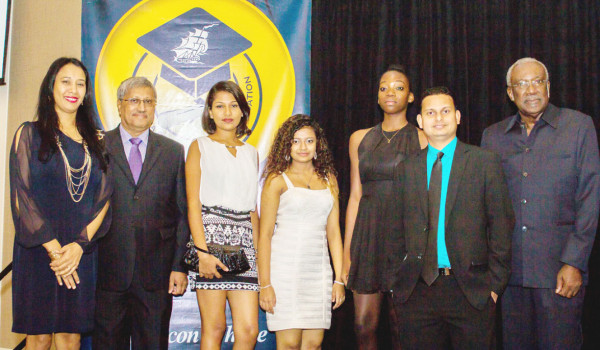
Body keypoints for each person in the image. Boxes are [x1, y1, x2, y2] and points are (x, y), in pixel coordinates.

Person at [481, 57, 600, 349]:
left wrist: (574, 262)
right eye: (522, 84)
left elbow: (589, 197)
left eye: (538, 81)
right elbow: (486, 206)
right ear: (510, 93)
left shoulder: (578, 127)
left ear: (548, 87)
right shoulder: (493, 137)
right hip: (510, 276)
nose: (531, 90)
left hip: (559, 272)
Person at [392, 86, 514, 349]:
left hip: (471, 291)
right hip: (417, 292)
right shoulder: (406, 168)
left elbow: (501, 226)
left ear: (457, 116)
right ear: (420, 121)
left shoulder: (484, 162)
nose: (438, 118)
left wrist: (494, 286)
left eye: (445, 111)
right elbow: (393, 229)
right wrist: (396, 281)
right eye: (431, 112)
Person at [9, 57, 112, 349]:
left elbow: (104, 198)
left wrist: (78, 247)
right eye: (65, 81)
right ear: (51, 87)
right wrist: (56, 253)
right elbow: (22, 197)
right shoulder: (29, 133)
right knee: (39, 338)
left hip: (80, 251)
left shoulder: (97, 141)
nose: (73, 89)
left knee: (70, 337)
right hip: (39, 251)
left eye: (80, 83)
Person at [93, 77, 189, 349]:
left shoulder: (172, 151)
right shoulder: (97, 147)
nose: (142, 107)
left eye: (148, 101)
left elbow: (182, 213)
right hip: (107, 271)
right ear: (120, 105)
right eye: (134, 100)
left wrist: (178, 266)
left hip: (156, 274)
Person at [341, 64, 427, 348]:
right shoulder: (359, 138)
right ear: (377, 97)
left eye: (399, 87)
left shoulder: (422, 138)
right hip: (367, 238)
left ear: (411, 97)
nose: (391, 92)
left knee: (402, 327)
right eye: (384, 87)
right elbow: (355, 196)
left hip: (404, 239)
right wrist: (346, 254)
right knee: (363, 325)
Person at [258, 114, 345, 349]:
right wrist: (265, 283)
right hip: (284, 272)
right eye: (295, 141)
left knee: (314, 345)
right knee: (289, 345)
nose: (302, 147)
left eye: (308, 141)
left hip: (319, 273)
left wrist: (339, 278)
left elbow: (334, 233)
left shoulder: (329, 180)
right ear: (287, 146)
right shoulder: (277, 180)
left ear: (318, 145)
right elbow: (264, 235)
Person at [185, 81, 260, 349]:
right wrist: (202, 253)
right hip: (210, 240)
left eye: (233, 105)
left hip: (245, 242)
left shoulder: (252, 153)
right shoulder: (199, 146)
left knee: (249, 331)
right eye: (220, 106)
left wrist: (259, 256)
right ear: (210, 112)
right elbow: (192, 204)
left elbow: (253, 209)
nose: (227, 111)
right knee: (214, 328)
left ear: (243, 112)